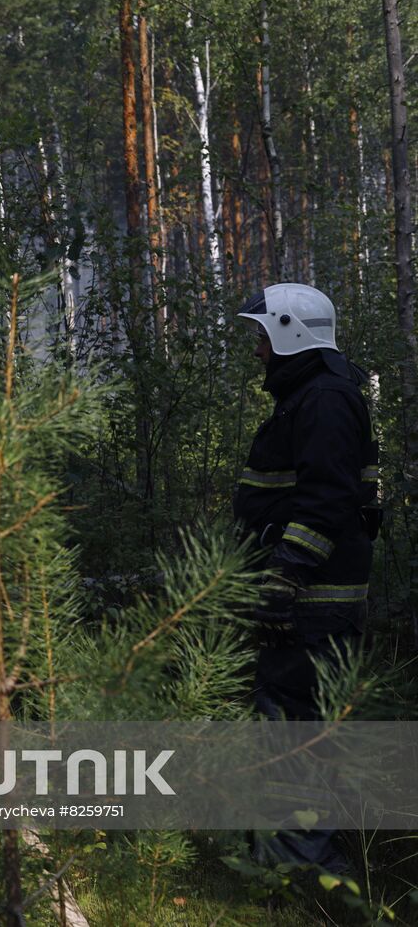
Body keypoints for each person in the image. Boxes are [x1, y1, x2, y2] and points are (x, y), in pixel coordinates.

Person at [234, 283, 379, 870]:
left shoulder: (322, 400)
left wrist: (285, 578)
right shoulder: (313, 396)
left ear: (290, 332)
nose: (258, 349)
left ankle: (304, 870)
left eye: (263, 336)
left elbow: (325, 501)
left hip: (311, 601)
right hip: (310, 598)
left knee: (294, 727)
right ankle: (301, 861)